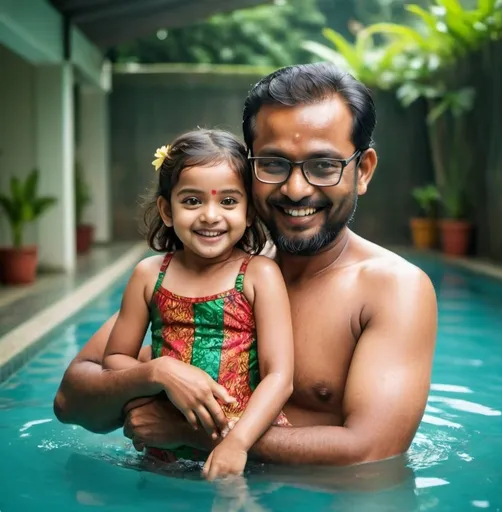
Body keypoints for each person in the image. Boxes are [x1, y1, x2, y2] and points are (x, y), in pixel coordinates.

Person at [54, 62, 437, 470]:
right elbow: (70, 401)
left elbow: (373, 452)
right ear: (247, 168)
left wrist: (192, 433)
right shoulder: (210, 274)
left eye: (324, 166)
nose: (296, 188)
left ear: (362, 171)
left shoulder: (392, 289)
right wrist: (157, 373)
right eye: (273, 164)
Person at [101, 129, 294, 480]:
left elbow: (279, 376)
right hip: (163, 453)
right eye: (192, 201)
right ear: (167, 210)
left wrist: (237, 443)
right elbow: (114, 360)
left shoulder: (258, 275)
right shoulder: (149, 275)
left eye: (228, 202)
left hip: (244, 449)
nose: (210, 215)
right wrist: (162, 371)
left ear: (250, 211)